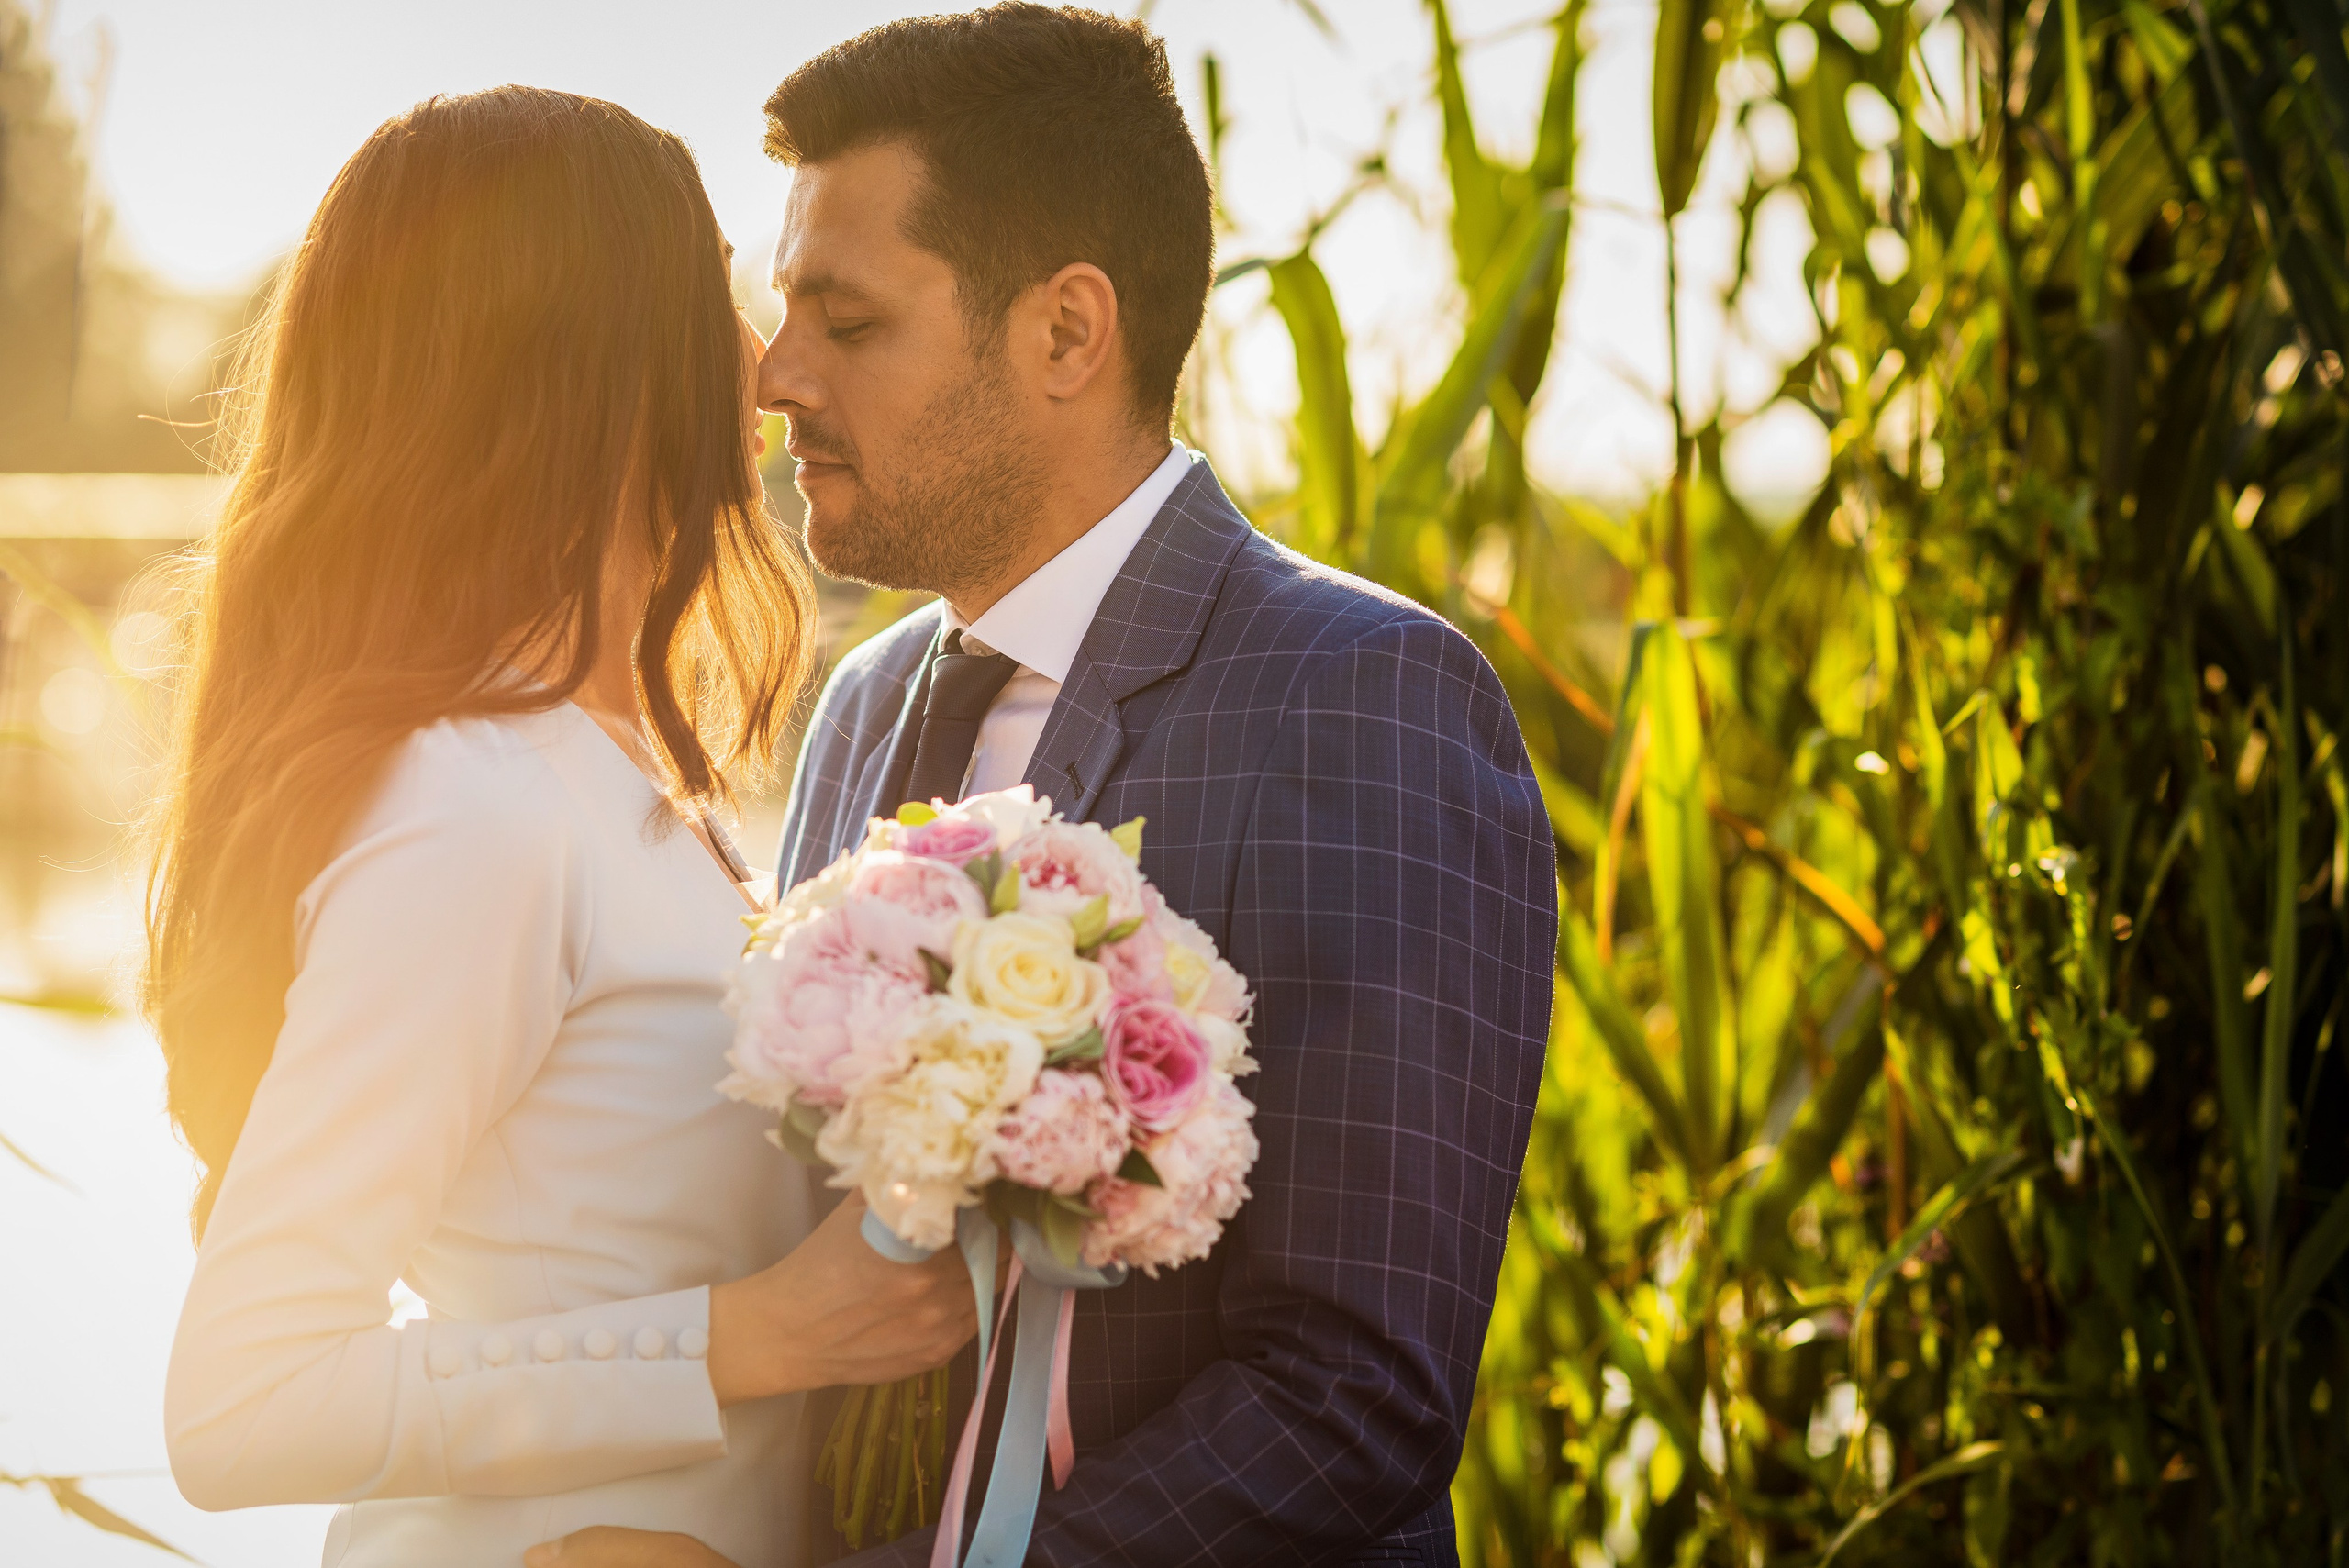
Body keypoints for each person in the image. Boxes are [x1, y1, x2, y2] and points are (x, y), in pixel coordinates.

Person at [530, 7, 1558, 1566]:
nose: (775, 377)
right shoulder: (862, 709)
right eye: (779, 312)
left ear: (1067, 333)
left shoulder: (1363, 695)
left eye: (847, 319)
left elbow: (1355, 1394)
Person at [152, 86, 978, 1568]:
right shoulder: (474, 807)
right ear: (594, 353)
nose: (773, 356)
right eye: (727, 289)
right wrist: (749, 1337)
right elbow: (242, 1402)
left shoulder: (651, 778)